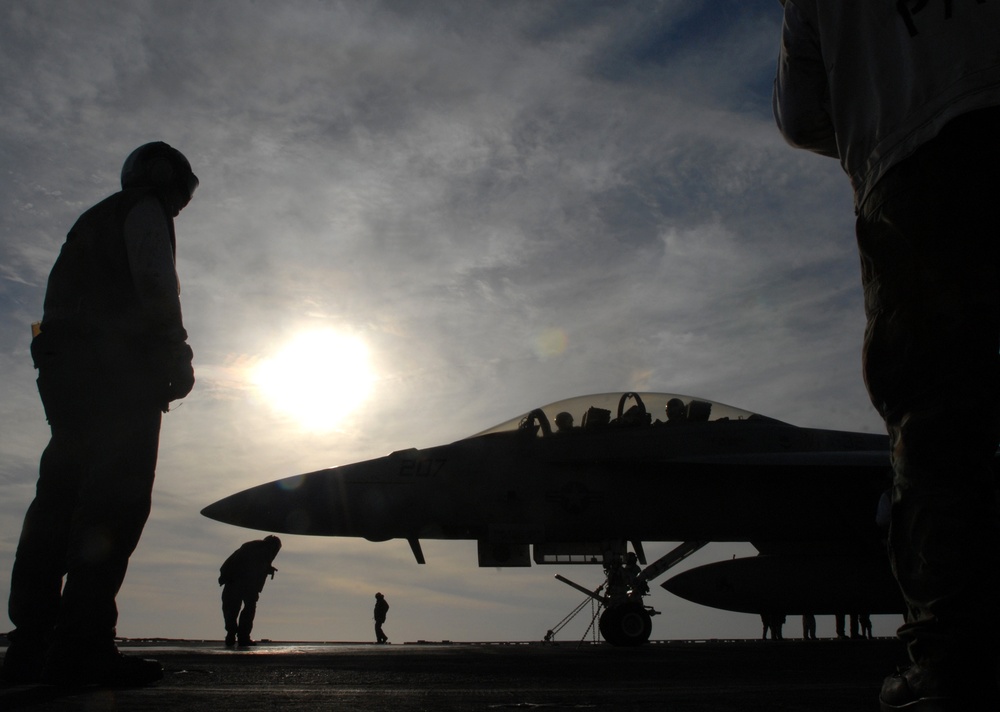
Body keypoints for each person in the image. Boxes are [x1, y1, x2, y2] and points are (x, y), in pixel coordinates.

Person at [774, 2, 1000, 708]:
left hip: (906, 176)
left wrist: (881, 121)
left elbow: (801, 115)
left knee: (934, 418)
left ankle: (952, 668)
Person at [2, 142, 198, 687]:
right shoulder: (143, 210)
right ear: (165, 179)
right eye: (181, 193)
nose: (181, 206)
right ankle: (81, 647)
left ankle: (31, 645)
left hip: (66, 379)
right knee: (114, 505)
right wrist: (174, 350)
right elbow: (156, 282)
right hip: (117, 379)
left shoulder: (91, 221)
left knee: (56, 504)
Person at [218, 536, 282, 647]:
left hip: (234, 581)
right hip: (242, 582)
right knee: (246, 609)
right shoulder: (264, 550)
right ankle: (242, 637)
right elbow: (254, 566)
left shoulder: (252, 547)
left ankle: (231, 635)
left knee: (232, 610)